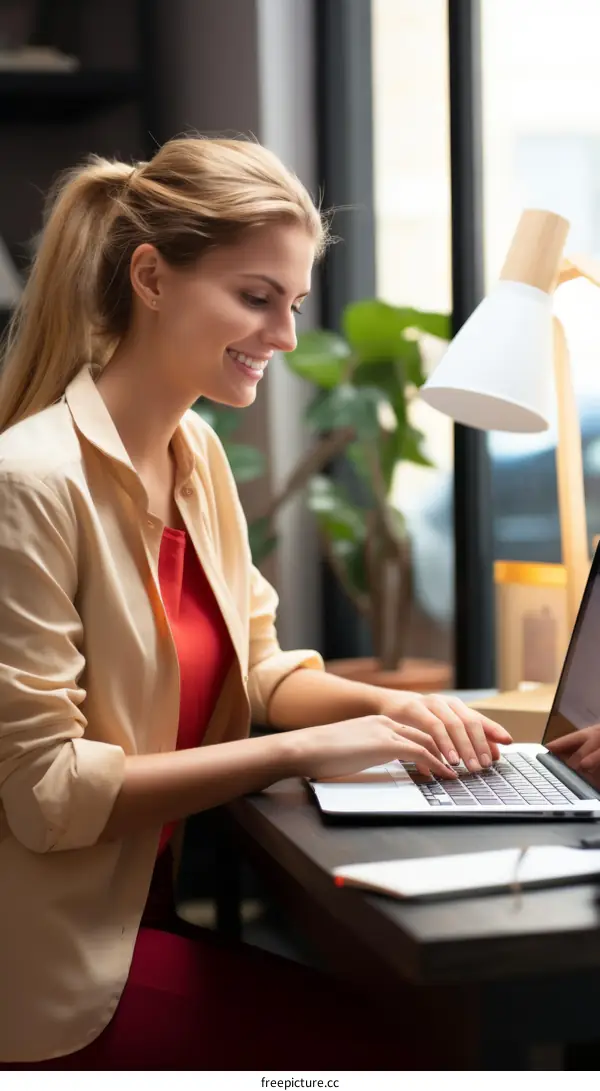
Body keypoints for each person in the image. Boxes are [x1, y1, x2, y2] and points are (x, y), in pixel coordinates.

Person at [0, 135, 512, 1070]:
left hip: (137, 922)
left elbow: (262, 665)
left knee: (431, 1029)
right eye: (256, 297)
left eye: (294, 304)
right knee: (400, 1052)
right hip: (45, 971)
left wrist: (393, 708)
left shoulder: (196, 459)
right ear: (150, 277)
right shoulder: (30, 484)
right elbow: (46, 794)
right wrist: (304, 747)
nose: (282, 336)